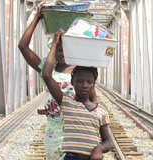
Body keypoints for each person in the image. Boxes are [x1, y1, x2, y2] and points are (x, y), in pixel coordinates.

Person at [18, 4, 97, 160]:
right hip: (54, 129)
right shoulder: (47, 69)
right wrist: (37, 18)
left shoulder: (80, 73)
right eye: (59, 50)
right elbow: (23, 46)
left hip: (77, 128)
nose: (62, 54)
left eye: (67, 49)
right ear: (53, 49)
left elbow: (93, 101)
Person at [42, 29, 112, 160]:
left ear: (94, 84)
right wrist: (54, 43)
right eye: (80, 81)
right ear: (72, 82)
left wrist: (99, 149)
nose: (84, 85)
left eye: (89, 82)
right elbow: (46, 75)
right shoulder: (66, 103)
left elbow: (108, 142)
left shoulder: (101, 111)